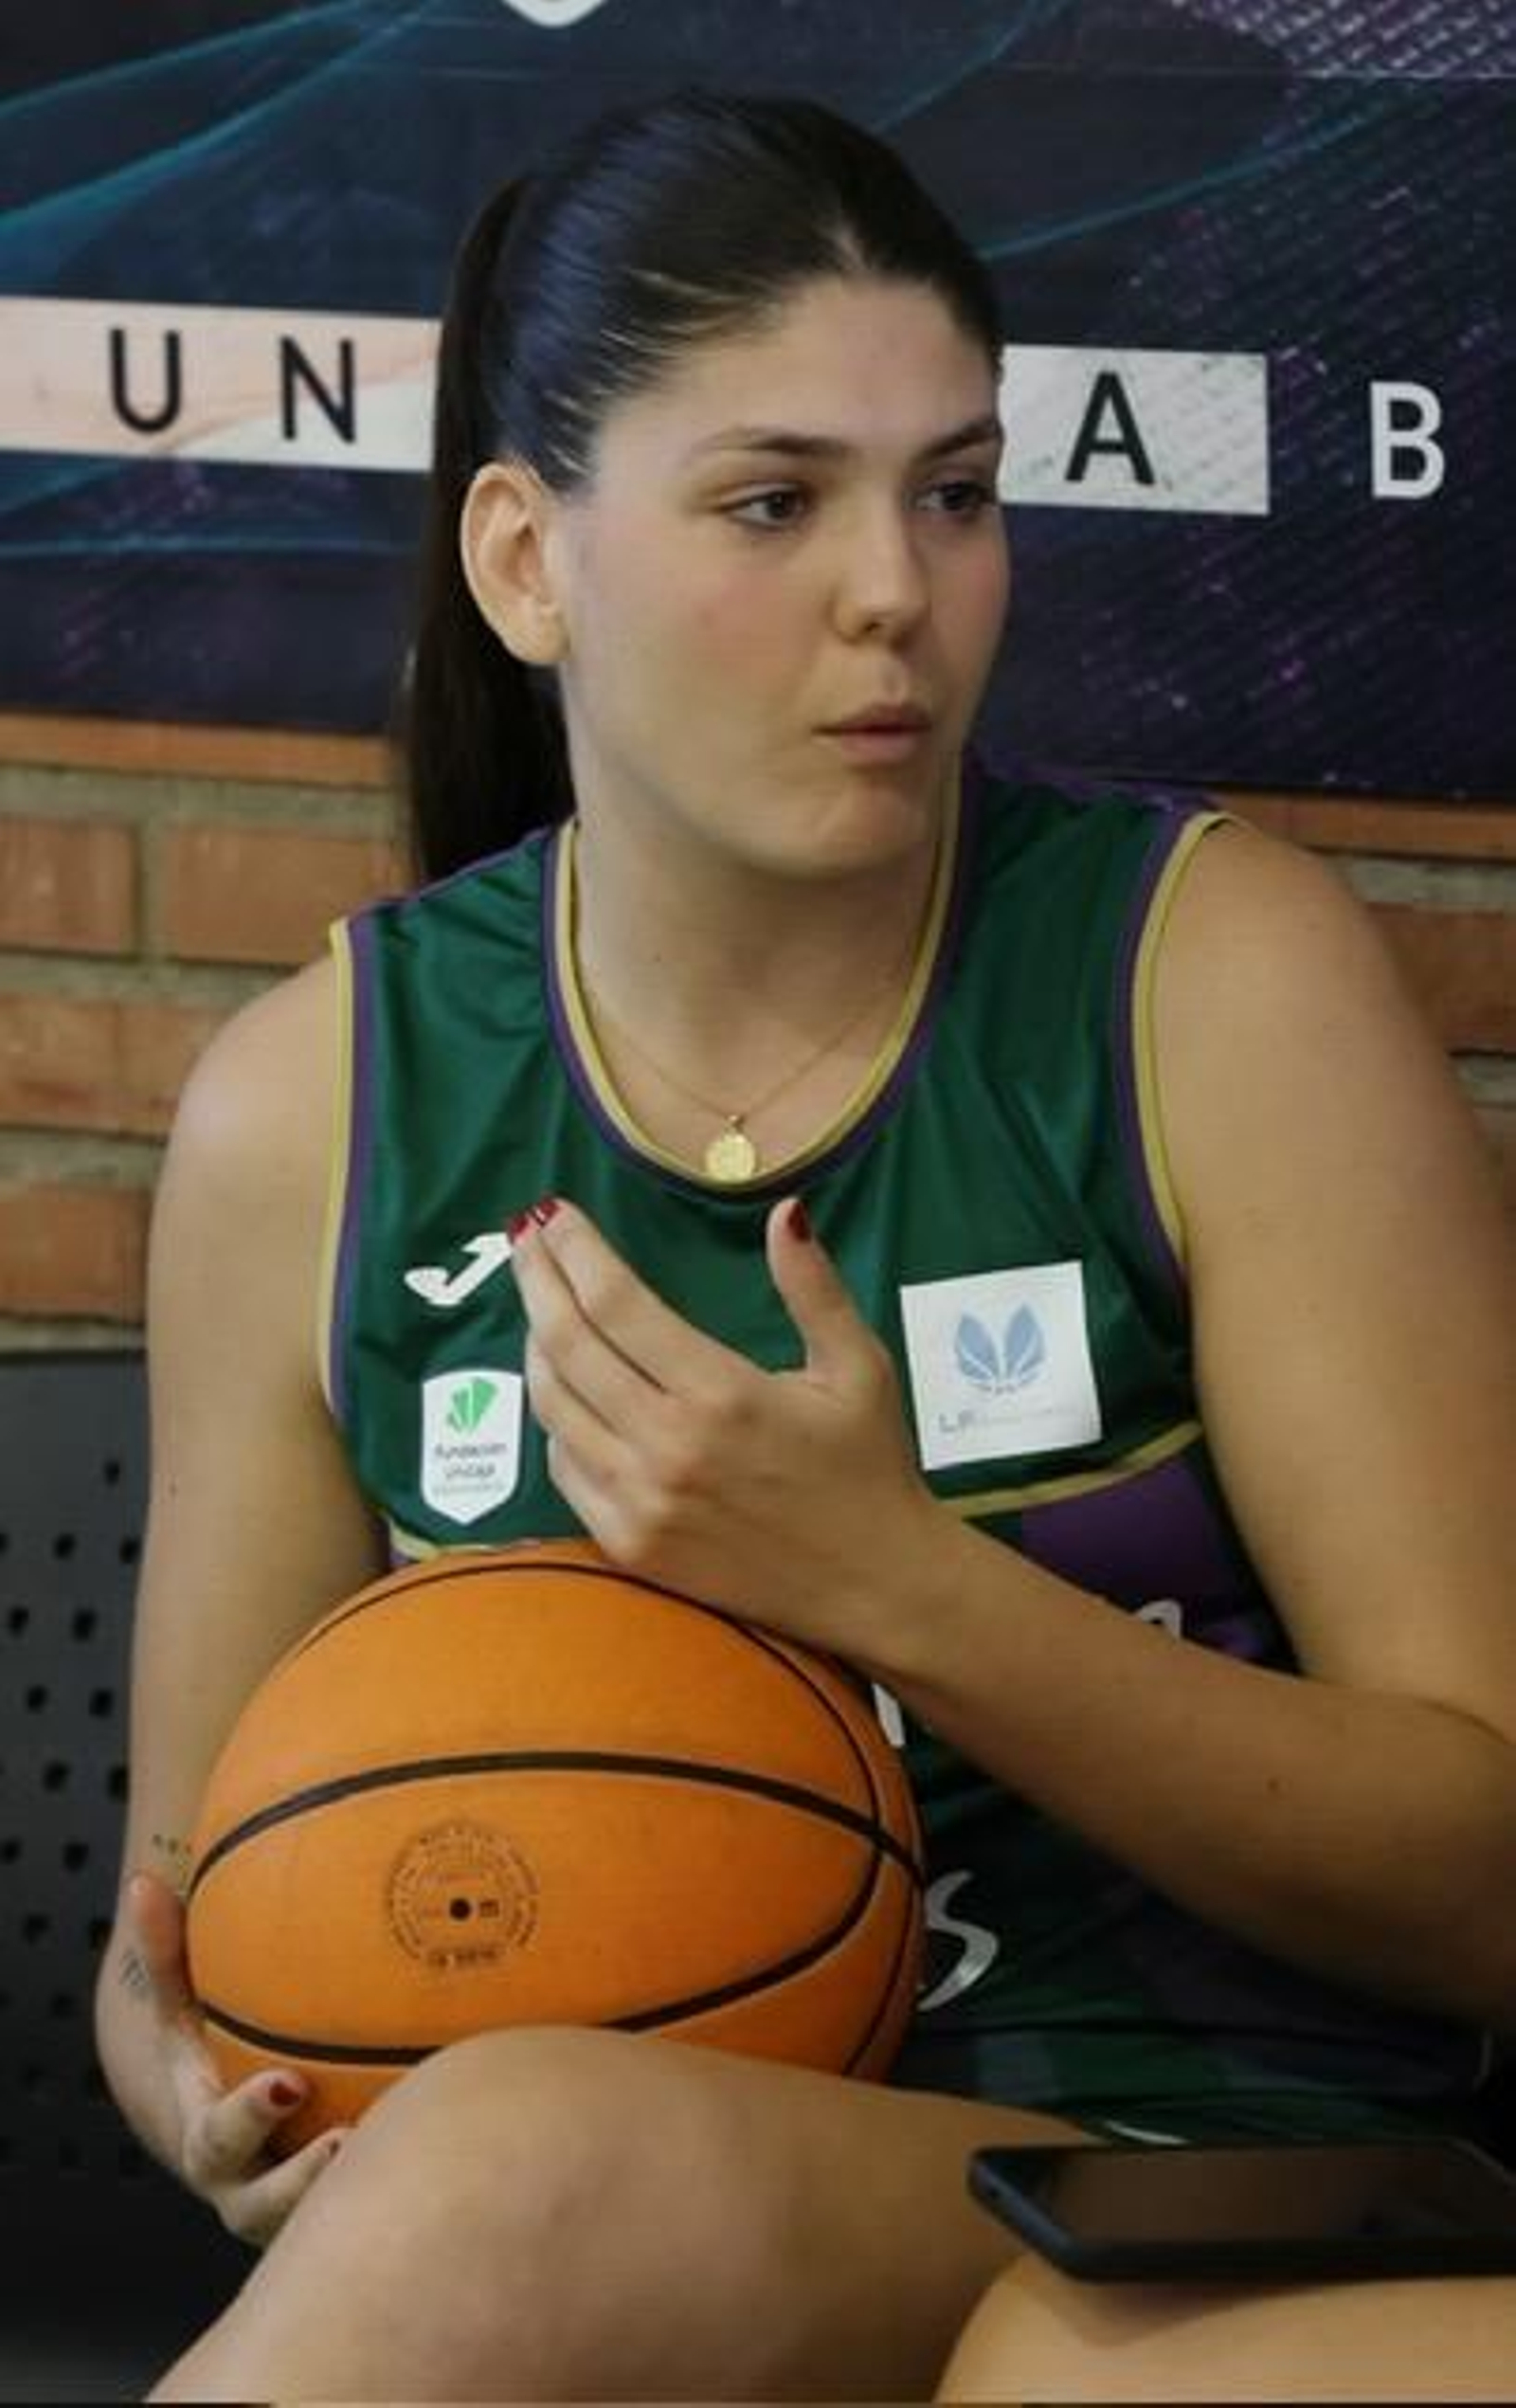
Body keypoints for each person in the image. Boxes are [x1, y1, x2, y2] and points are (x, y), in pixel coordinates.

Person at [94, 86, 1515, 2403]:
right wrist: (208, 2092)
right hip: (601, 2209)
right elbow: (182, 1913)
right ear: (526, 560)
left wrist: (897, 1583)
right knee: (509, 2151)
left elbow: (1484, 1881)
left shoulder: (1205, 977)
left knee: (936, 2318)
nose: (897, 587)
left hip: (1200, 2177)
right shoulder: (312, 1105)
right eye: (776, 500)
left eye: (952, 493)